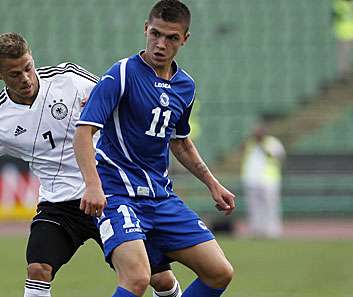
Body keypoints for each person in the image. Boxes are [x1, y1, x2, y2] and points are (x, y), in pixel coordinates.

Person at [0, 32, 182, 297]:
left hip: (108, 193)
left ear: (32, 57)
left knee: (160, 278)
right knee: (38, 269)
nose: (26, 78)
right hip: (59, 204)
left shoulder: (70, 79)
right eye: (15, 74)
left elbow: (121, 101)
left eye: (28, 67)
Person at [73, 1, 235, 297]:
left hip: (161, 198)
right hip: (117, 195)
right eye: (156, 34)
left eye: (171, 37)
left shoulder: (185, 86)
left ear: (185, 39)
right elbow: (84, 132)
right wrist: (92, 185)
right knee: (137, 278)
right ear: (146, 29)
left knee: (219, 273)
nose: (161, 44)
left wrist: (212, 184)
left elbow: (180, 141)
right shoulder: (121, 74)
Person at [241, 123, 286, 239]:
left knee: (270, 206)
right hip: (251, 179)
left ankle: (272, 231)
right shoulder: (250, 143)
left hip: (268, 180)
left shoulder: (272, 142)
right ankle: (256, 230)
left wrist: (261, 145)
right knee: (254, 207)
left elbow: (277, 156)